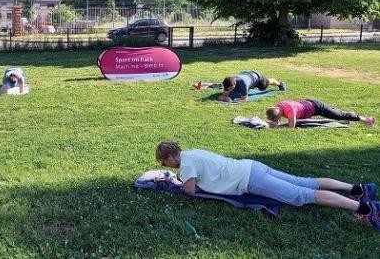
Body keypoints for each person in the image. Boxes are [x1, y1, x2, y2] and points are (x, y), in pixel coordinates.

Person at [154, 141, 380, 230]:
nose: (168, 166)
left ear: (170, 158)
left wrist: (176, 184)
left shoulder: (185, 165)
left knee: (302, 195)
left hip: (249, 179)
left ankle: (366, 209)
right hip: (252, 167)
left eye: (165, 162)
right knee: (305, 182)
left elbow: (190, 190)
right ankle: (358, 189)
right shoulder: (193, 151)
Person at [266, 99, 375, 128]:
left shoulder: (290, 111)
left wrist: (278, 128)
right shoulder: (278, 106)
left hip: (317, 107)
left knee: (338, 115)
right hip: (308, 104)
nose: (278, 120)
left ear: (279, 113)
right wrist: (274, 123)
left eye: (277, 118)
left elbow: (291, 126)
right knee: (335, 113)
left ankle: (367, 120)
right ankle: (344, 120)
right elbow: (276, 119)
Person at [219, 71, 286, 102]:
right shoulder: (227, 83)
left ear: (235, 83)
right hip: (247, 75)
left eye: (231, 88)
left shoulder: (243, 84)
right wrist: (225, 98)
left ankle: (280, 84)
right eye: (228, 88)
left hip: (258, 78)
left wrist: (232, 101)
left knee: (265, 85)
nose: (230, 90)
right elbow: (224, 95)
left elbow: (244, 99)